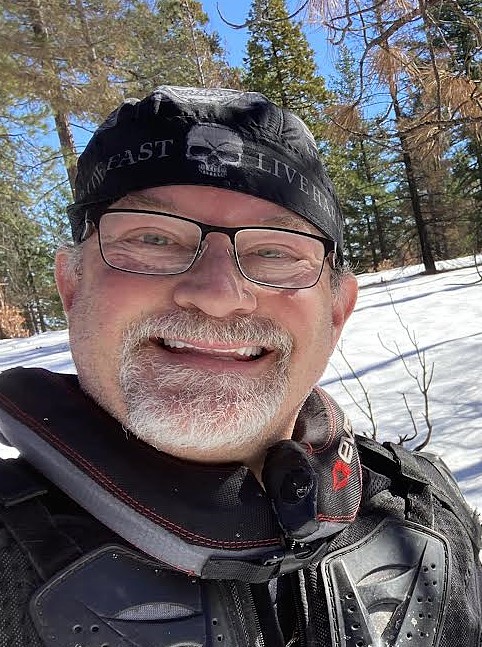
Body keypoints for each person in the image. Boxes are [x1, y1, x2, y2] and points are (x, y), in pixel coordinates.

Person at [0, 86, 480, 647]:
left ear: (337, 310)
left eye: (275, 251)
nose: (218, 295)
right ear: (71, 286)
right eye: (153, 238)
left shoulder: (428, 508)